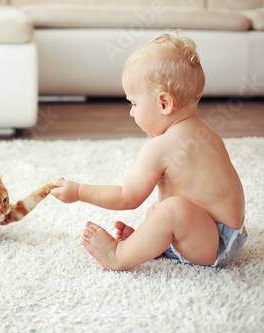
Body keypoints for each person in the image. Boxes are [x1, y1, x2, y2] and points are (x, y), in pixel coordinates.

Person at [50, 34, 247, 271]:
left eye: (133, 103)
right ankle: (151, 244)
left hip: (213, 243)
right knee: (159, 210)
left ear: (164, 104)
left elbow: (127, 197)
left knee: (171, 210)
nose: (132, 112)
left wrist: (79, 191)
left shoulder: (159, 148)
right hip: (221, 234)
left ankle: (118, 255)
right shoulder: (207, 133)